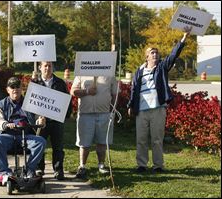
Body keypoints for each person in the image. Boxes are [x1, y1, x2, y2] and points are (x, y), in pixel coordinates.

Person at [127, 26, 192, 173]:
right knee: (141, 139)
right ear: (147, 57)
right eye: (152, 53)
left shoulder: (162, 67)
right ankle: (142, 165)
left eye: (156, 52)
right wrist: (131, 104)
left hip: (158, 108)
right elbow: (134, 89)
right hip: (142, 110)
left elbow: (173, 55)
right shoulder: (139, 71)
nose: (155, 54)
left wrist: (184, 37)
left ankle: (158, 166)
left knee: (157, 139)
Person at [0, 77, 46, 180]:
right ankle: (4, 171)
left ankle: (29, 169)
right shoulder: (0, 105)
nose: (15, 89)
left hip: (25, 135)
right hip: (8, 135)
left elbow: (38, 117)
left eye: (17, 86)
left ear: (22, 89)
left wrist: (40, 121)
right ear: (8, 90)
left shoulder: (31, 103)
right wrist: (6, 124)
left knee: (41, 142)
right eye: (12, 87)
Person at [70, 75, 118, 179]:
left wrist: (112, 110)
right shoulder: (81, 72)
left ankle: (101, 164)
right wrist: (86, 91)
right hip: (85, 113)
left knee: (102, 141)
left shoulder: (109, 73)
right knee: (84, 143)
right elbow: (73, 91)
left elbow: (115, 94)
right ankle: (82, 165)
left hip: (104, 113)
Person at [31, 61, 72, 180]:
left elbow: (66, 101)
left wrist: (65, 116)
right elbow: (30, 103)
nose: (47, 68)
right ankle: (39, 169)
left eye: (49, 66)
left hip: (56, 121)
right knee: (39, 146)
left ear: (52, 67)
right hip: (40, 122)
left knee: (58, 147)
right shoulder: (35, 83)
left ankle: (58, 170)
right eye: (45, 66)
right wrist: (37, 117)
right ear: (40, 67)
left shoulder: (60, 83)